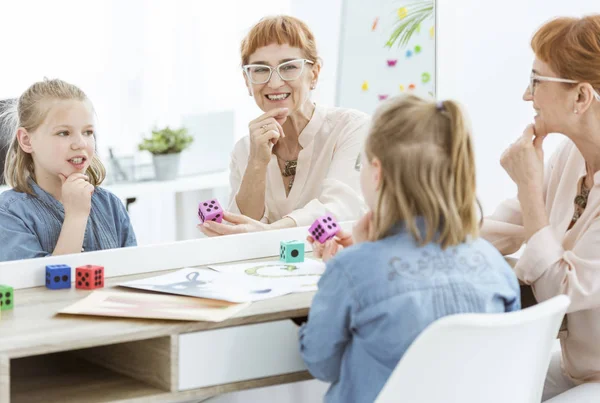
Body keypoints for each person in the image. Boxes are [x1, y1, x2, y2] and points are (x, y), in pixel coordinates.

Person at [300, 94, 520, 403]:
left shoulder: (352, 269)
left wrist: (351, 265)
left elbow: (321, 363)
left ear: (376, 172)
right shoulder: (492, 263)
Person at [481, 15, 600, 401]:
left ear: (581, 97)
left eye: (536, 81)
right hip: (578, 368)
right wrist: (396, 232)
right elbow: (500, 227)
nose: (526, 96)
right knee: (478, 388)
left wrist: (529, 187)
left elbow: (559, 293)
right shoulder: (570, 155)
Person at [198, 15, 369, 237]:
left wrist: (271, 231)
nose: (275, 82)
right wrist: (257, 163)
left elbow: (344, 207)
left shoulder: (352, 128)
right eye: (260, 70)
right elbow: (239, 234)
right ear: (247, 81)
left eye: (288, 67)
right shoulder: (244, 150)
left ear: (314, 73)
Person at [0, 78, 136, 262]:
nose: (81, 143)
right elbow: (43, 287)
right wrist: (76, 216)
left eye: (88, 132)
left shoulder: (110, 205)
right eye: (63, 133)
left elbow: (132, 273)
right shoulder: (9, 213)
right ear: (26, 140)